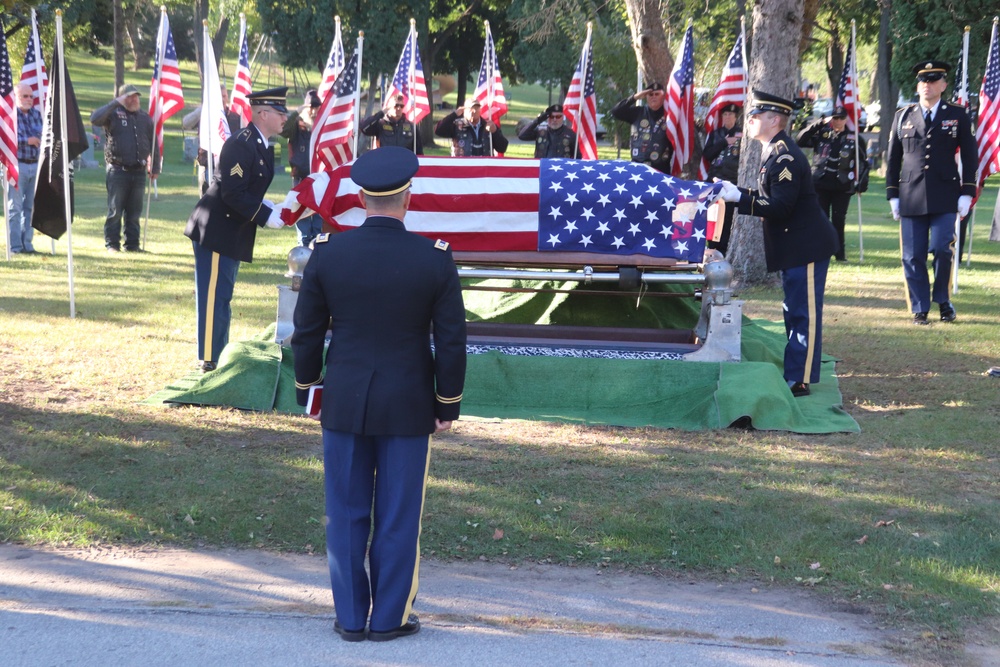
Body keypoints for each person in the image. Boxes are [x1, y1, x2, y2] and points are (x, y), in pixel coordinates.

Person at [291, 146, 467, 643]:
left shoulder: (328, 252)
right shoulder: (433, 257)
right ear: (406, 199)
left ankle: (350, 618)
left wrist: (309, 390)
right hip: (409, 403)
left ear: (363, 198)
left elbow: (306, 334)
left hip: (344, 400)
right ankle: (389, 619)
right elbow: (451, 339)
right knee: (397, 513)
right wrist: (446, 403)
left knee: (346, 511)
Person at [717, 91, 838, 398]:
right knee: (793, 310)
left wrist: (741, 199)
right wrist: (739, 193)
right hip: (795, 246)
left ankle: (800, 379)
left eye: (755, 117)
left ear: (774, 120)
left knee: (803, 313)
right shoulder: (773, 151)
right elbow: (772, 199)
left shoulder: (784, 155)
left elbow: (781, 206)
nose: (750, 121)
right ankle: (796, 373)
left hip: (806, 245)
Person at [184, 87, 290, 373]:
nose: (285, 119)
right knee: (213, 296)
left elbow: (249, 189)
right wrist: (265, 215)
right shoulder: (241, 143)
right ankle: (209, 358)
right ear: (262, 113)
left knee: (223, 295)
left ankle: (218, 352)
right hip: (217, 227)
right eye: (280, 114)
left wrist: (266, 204)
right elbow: (232, 193)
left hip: (232, 229)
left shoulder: (265, 145)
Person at [886, 60, 977, 325]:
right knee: (912, 255)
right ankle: (919, 307)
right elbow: (893, 159)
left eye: (934, 80)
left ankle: (943, 300)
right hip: (911, 195)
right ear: (918, 86)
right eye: (923, 81)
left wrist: (967, 192)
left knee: (942, 249)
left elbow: (970, 157)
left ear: (944, 85)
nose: (927, 85)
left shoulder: (957, 114)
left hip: (945, 193)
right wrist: (893, 194)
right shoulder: (903, 115)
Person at [90, 84, 158, 252]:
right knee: (115, 211)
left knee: (134, 213)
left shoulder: (145, 118)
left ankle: (132, 245)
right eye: (130, 96)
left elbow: (154, 144)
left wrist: (155, 167)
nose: (134, 99)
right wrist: (114, 103)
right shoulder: (112, 115)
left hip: (139, 171)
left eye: (136, 96)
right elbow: (94, 119)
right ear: (121, 98)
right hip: (118, 170)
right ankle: (112, 244)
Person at [796, 105, 868, 262]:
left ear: (846, 119)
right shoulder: (822, 134)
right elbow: (800, 139)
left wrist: (861, 184)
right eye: (835, 118)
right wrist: (819, 123)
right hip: (820, 183)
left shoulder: (854, 138)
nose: (838, 121)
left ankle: (839, 253)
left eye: (842, 118)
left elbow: (862, 162)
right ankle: (820, 252)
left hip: (842, 186)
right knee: (821, 218)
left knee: (838, 219)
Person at [281, 90, 324, 246]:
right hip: (300, 177)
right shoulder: (297, 125)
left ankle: (316, 246)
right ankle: (303, 246)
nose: (313, 111)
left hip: (319, 177)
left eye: (316, 107)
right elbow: (284, 131)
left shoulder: (322, 125)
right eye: (311, 107)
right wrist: (297, 112)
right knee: (302, 214)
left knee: (318, 215)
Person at [181, 85, 242, 195]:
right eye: (219, 96)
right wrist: (203, 109)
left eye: (224, 96)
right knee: (205, 202)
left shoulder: (235, 118)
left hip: (229, 167)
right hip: (206, 165)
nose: (222, 99)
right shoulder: (204, 114)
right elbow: (186, 123)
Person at [701, 102, 742, 254]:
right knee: (713, 216)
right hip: (715, 181)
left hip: (732, 182)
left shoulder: (742, 134)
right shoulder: (716, 134)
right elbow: (707, 154)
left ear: (736, 117)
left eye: (730, 114)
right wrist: (724, 142)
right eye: (725, 114)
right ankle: (711, 248)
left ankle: (723, 250)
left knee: (728, 218)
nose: (727, 117)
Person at [7, 83, 42, 254]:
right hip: (16, 165)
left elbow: (43, 135)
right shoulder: (9, 115)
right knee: (15, 207)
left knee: (31, 208)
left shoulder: (37, 114)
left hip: (35, 165)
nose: (29, 100)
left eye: (31, 97)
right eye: (24, 96)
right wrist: (27, 140)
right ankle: (15, 246)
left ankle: (27, 244)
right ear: (16, 97)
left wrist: (34, 139)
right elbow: (7, 138)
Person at [610, 82, 673, 173]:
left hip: (661, 168)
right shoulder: (638, 112)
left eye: (657, 94)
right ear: (646, 97)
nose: (653, 97)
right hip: (638, 167)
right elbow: (615, 111)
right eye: (650, 94)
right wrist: (635, 97)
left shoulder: (670, 115)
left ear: (663, 96)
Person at [434, 101, 508, 156]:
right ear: (464, 110)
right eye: (471, 109)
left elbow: (502, 148)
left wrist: (495, 132)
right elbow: (438, 130)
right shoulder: (457, 125)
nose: (474, 111)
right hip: (462, 169)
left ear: (480, 110)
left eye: (477, 108)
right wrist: (454, 114)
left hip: (484, 169)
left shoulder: (489, 126)